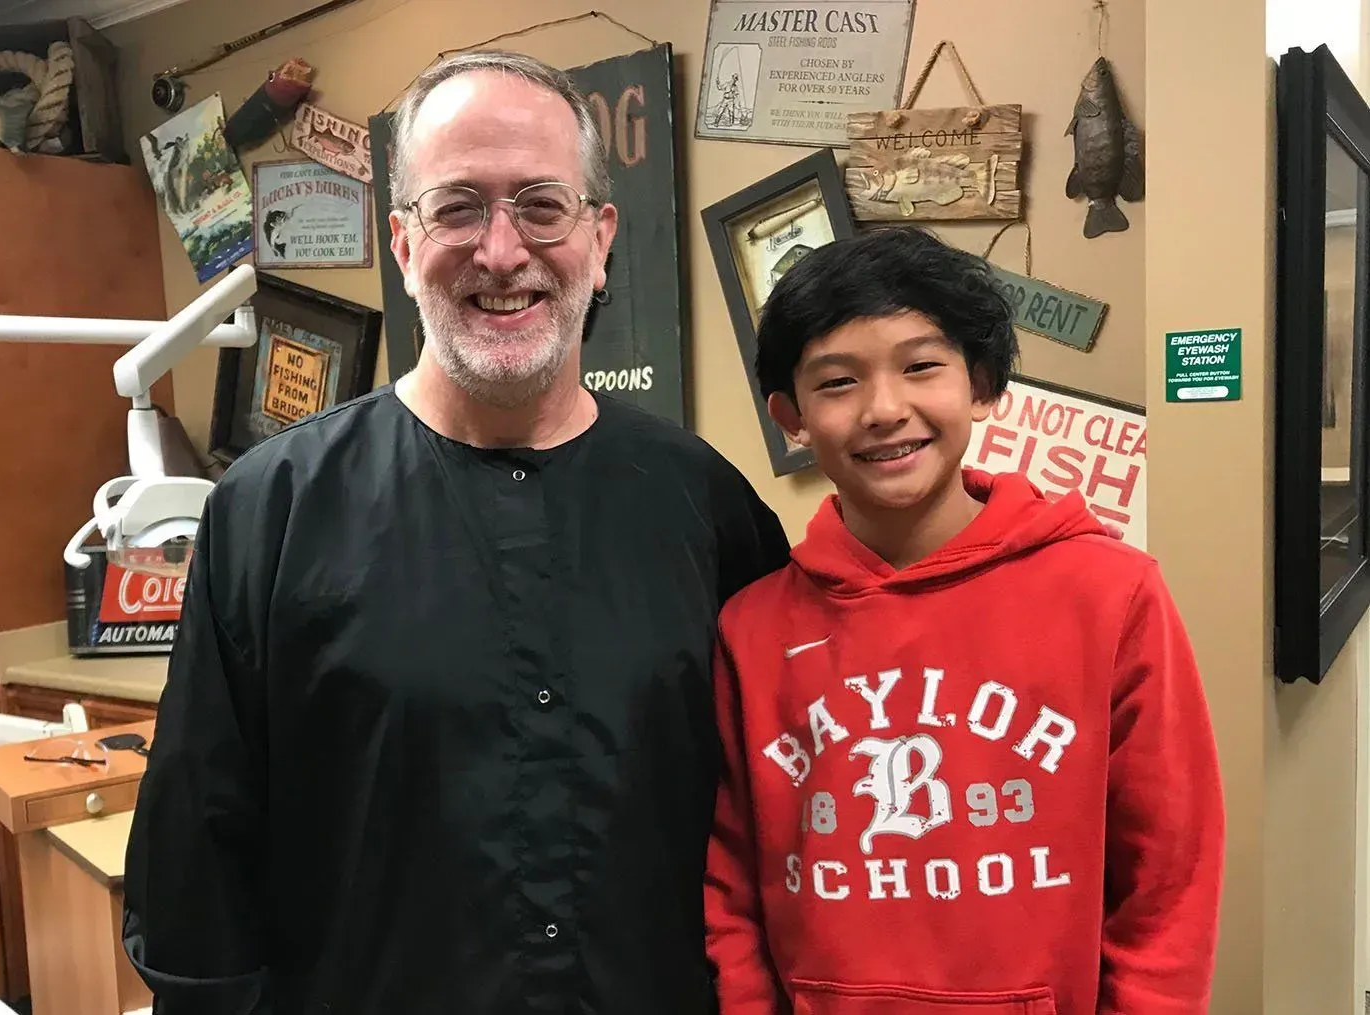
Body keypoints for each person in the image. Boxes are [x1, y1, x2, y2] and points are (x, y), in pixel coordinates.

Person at [120, 49, 790, 1015]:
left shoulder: (709, 509)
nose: (503, 250)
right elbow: (196, 871)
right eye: (458, 206)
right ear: (401, 241)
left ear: (600, 239)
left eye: (542, 206)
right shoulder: (270, 512)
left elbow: (782, 818)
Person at [702, 227, 1225, 1015]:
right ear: (791, 415)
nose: (885, 409)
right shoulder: (752, 627)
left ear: (981, 384)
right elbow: (732, 882)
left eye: (921, 367)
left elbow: (1169, 882)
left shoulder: (1111, 594)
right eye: (838, 382)